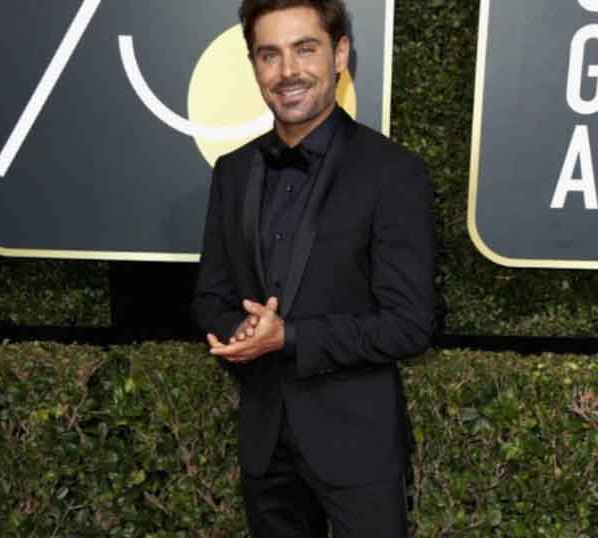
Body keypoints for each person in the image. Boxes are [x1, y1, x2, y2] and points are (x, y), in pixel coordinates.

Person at [192, 1, 435, 536]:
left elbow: (410, 323)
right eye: (269, 55)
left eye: (305, 49)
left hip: (358, 448)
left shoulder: (393, 172)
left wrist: (290, 337)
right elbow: (210, 296)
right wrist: (243, 329)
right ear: (254, 66)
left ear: (340, 54)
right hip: (264, 445)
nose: (288, 71)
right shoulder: (233, 172)